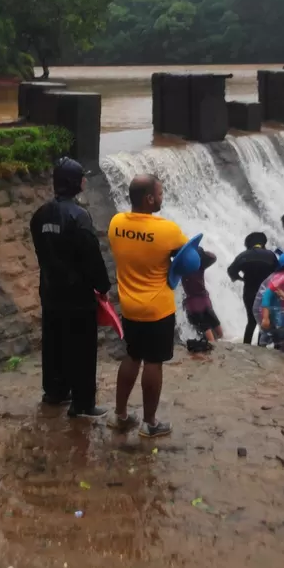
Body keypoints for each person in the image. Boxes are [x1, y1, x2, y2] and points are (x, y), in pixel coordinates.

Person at [30, 157, 112, 420]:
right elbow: (91, 256)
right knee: (82, 349)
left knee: (54, 343)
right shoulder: (79, 216)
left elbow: (44, 253)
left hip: (50, 292)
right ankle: (83, 403)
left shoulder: (40, 215)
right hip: (78, 297)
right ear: (75, 182)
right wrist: (102, 286)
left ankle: (55, 392)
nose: (85, 180)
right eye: (82, 177)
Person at [107, 173, 186, 439]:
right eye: (160, 194)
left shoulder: (116, 223)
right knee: (153, 362)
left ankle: (120, 415)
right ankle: (150, 423)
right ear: (150, 198)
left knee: (132, 356)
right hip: (157, 310)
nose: (162, 198)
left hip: (129, 307)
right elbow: (189, 257)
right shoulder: (167, 230)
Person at [227, 233, 280, 344]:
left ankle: (246, 344)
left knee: (251, 322)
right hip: (266, 293)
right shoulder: (271, 255)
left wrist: (240, 278)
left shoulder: (244, 255)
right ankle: (261, 345)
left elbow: (231, 270)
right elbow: (278, 273)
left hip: (249, 292)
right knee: (264, 319)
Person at [182, 247, 222, 345]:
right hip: (205, 299)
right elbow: (213, 257)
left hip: (193, 302)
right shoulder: (200, 265)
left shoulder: (183, 268)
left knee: (204, 326)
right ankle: (225, 341)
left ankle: (214, 344)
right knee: (214, 322)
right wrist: (202, 253)